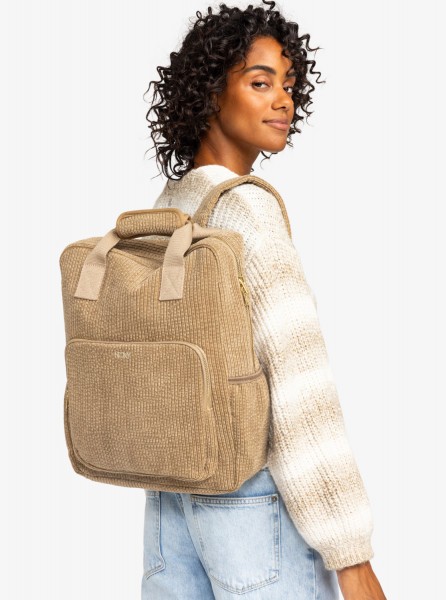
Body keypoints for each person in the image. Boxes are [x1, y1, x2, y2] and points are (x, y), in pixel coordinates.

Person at [142, 1, 387, 599]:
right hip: (253, 505)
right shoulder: (247, 209)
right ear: (210, 93)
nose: (283, 101)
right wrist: (351, 557)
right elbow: (299, 387)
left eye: (289, 85)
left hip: (171, 496)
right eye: (260, 82)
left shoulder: (170, 206)